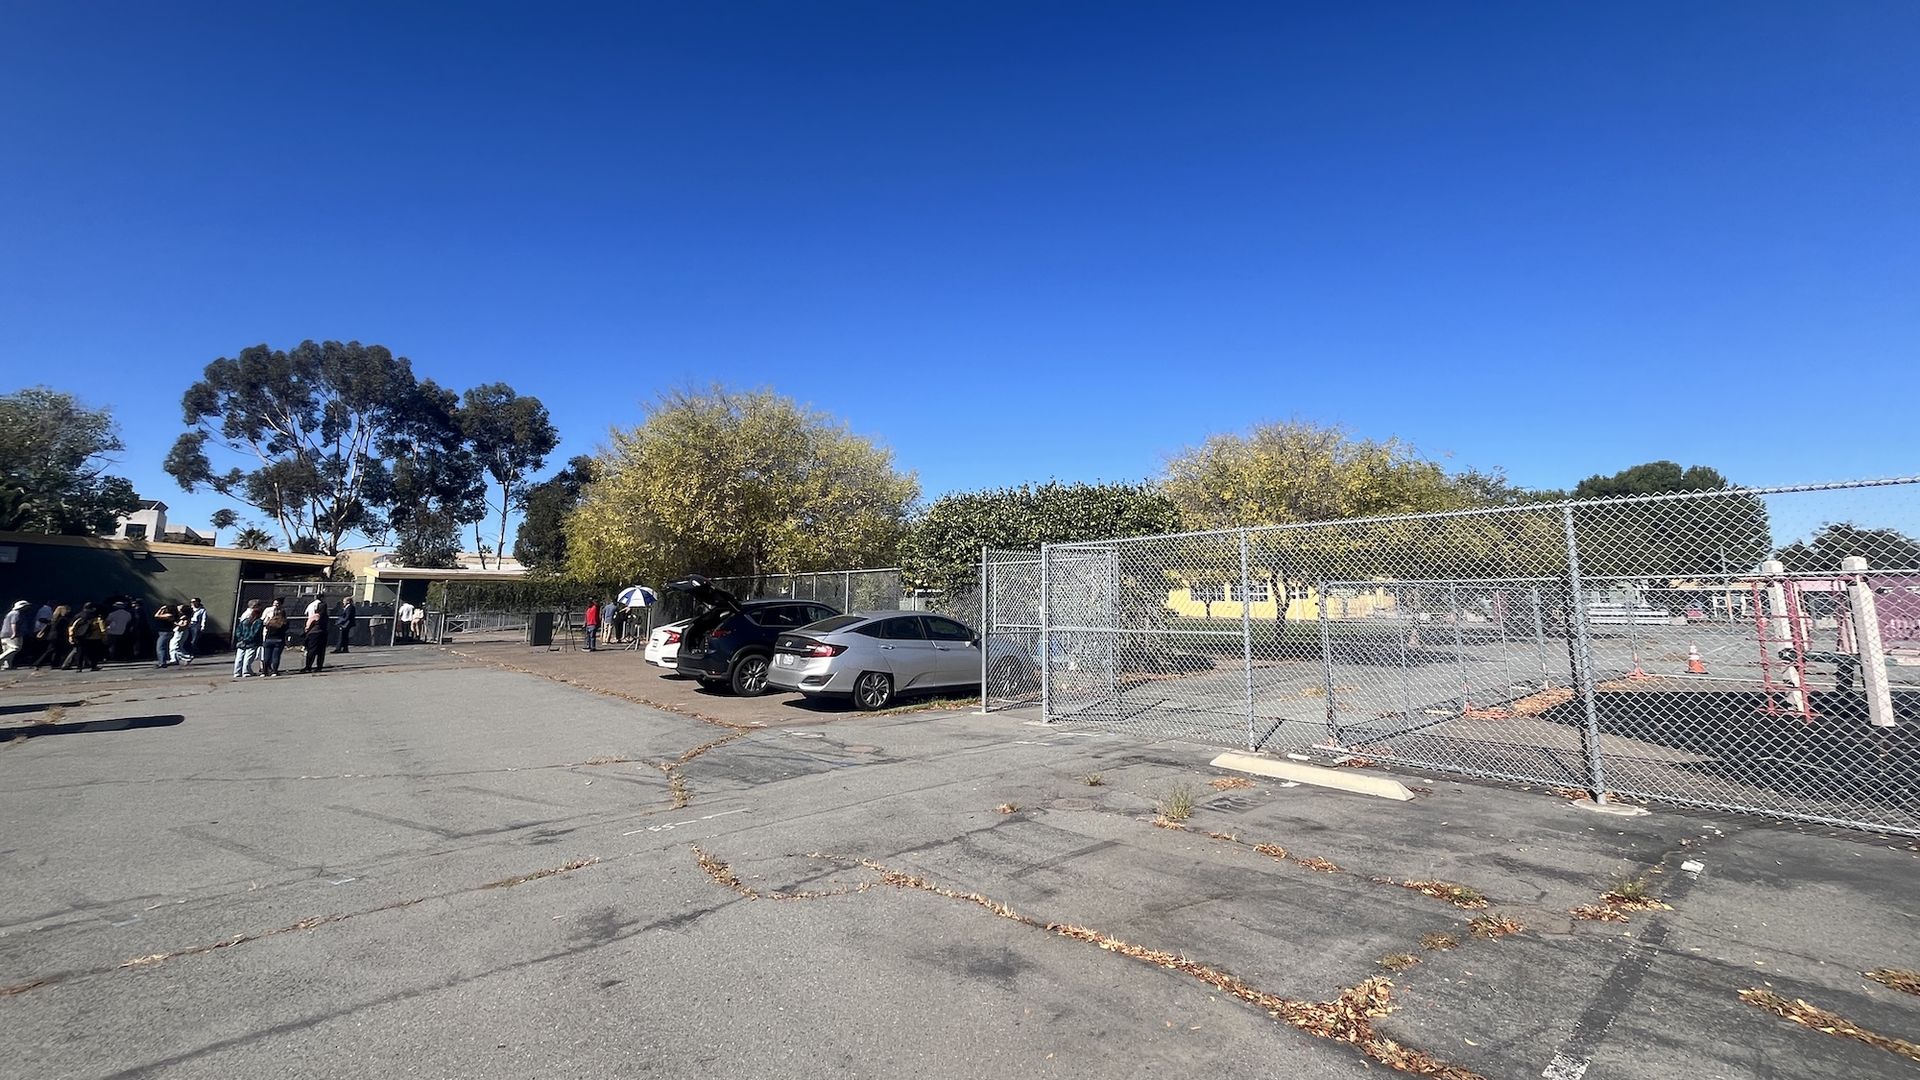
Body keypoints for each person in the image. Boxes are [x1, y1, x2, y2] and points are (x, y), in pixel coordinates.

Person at [63, 603, 106, 671]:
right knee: (93, 652)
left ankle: (79, 667)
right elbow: (101, 626)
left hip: (80, 636)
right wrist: (103, 634)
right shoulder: (95, 615)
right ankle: (93, 666)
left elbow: (72, 627)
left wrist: (71, 636)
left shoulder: (78, 615)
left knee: (80, 652)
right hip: (93, 637)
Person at [232, 600, 265, 679]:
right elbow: (255, 633)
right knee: (248, 657)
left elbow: (238, 630)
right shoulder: (258, 622)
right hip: (251, 642)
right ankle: (245, 671)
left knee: (239, 657)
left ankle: (237, 672)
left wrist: (240, 638)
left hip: (241, 641)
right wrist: (248, 639)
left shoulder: (245, 620)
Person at [33, 605, 72, 670]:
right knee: (51, 650)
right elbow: (63, 629)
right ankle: (38, 663)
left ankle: (54, 664)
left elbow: (48, 626)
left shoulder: (54, 619)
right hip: (58, 637)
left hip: (52, 636)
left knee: (55, 651)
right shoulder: (62, 619)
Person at [260, 598, 290, 677]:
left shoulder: (270, 621)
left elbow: (265, 625)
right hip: (279, 639)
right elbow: (286, 628)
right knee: (276, 656)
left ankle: (264, 671)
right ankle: (274, 671)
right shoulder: (284, 621)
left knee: (266, 656)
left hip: (268, 639)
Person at [300, 595, 329, 673]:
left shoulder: (314, 616)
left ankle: (308, 666)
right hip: (323, 632)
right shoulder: (325, 617)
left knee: (312, 650)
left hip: (314, 633)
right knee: (321, 651)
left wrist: (306, 632)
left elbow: (308, 626)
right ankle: (319, 667)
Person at [0, 600, 27, 669]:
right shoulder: (16, 613)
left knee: (7, 650)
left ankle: (7, 665)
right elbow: (13, 623)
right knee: (14, 648)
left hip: (4, 634)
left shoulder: (10, 613)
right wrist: (14, 633)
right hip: (10, 634)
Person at [152, 601, 178, 668]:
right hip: (164, 633)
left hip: (165, 633)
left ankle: (162, 662)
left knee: (160, 647)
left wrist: (161, 609)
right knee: (163, 647)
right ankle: (163, 661)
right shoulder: (169, 615)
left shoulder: (169, 615)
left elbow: (156, 616)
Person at [169, 599, 193, 667]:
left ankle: (187, 657)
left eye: (180, 607)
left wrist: (177, 624)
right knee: (173, 645)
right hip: (179, 632)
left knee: (175, 646)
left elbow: (184, 625)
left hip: (181, 632)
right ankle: (173, 659)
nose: (178, 607)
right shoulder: (182, 616)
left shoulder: (184, 617)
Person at [182, 598, 207, 662]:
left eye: (194, 602)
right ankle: (186, 653)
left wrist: (202, 626)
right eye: (191, 602)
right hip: (188, 624)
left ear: (198, 602)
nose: (192, 603)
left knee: (194, 640)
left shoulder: (202, 610)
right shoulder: (190, 609)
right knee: (186, 639)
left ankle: (192, 653)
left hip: (196, 625)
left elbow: (204, 618)